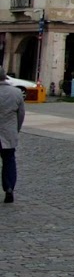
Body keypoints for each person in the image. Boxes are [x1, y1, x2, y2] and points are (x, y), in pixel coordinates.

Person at [0, 75, 25, 203]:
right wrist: (16, 129)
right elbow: (21, 114)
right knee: (9, 161)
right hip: (8, 133)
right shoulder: (16, 92)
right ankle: (9, 187)